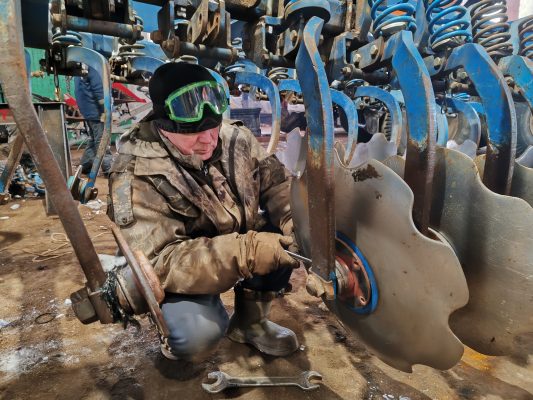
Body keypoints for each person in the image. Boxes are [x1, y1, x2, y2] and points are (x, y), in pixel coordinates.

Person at [107, 62, 301, 362]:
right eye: (194, 133)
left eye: (213, 128)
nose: (209, 140)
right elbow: (160, 262)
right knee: (196, 336)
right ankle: (178, 324)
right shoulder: (135, 172)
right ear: (164, 125)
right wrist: (247, 252)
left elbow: (277, 185)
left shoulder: (234, 138)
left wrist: (293, 221)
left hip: (229, 239)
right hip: (180, 263)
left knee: (290, 235)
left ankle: (250, 323)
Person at [74, 66, 113, 176]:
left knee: (93, 139)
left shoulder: (82, 65)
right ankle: (108, 169)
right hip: (97, 111)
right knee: (102, 139)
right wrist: (105, 109)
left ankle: (85, 165)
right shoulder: (95, 64)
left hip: (88, 109)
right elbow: (99, 89)